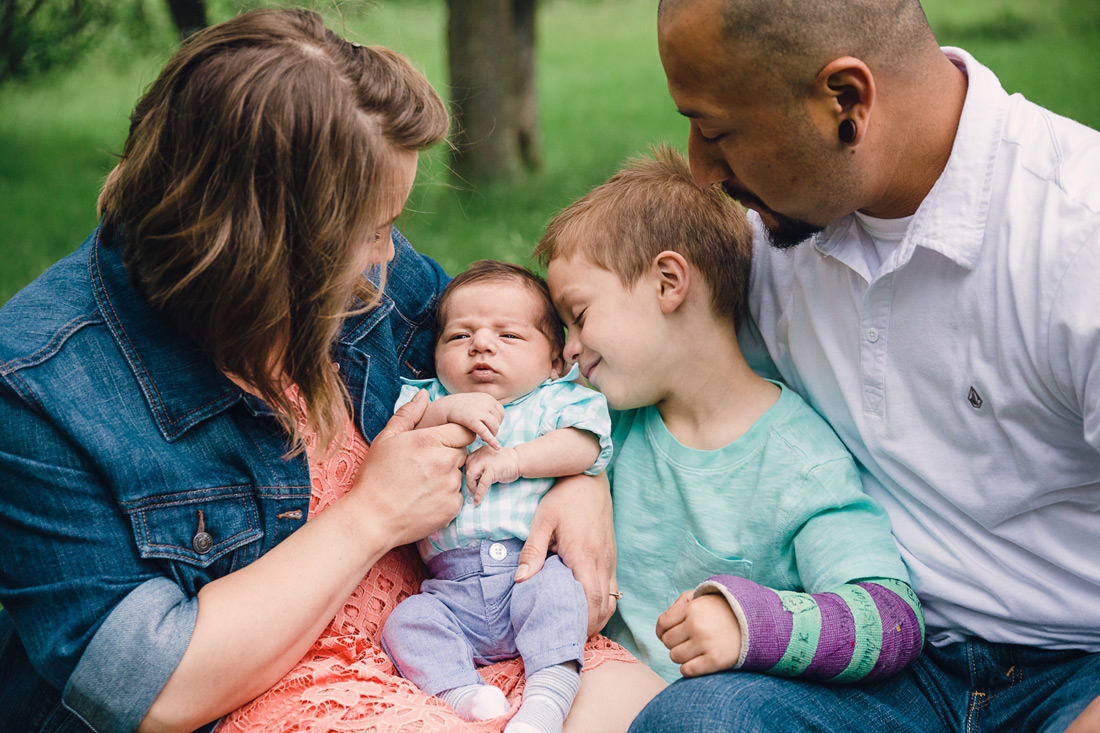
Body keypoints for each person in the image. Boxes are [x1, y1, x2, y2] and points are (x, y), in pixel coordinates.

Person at [0, 10, 662, 733]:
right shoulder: (41, 386)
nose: (391, 258)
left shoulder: (356, 273)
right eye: (373, 232)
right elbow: (146, 687)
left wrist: (576, 477)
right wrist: (373, 513)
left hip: (462, 630)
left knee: (659, 717)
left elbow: (520, 372)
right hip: (270, 690)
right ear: (263, 246)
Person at [630, 0, 1100, 730]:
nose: (701, 167)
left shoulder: (1076, 235)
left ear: (845, 100)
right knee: (699, 719)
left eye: (718, 131)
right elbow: (626, 349)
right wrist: (574, 473)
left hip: (1078, 668)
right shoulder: (771, 234)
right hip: (884, 667)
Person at [535, 146, 923, 687]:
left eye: (579, 317)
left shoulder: (796, 461)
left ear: (669, 283)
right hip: (604, 687)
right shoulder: (602, 422)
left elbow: (892, 621)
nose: (571, 348)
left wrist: (753, 627)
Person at [381, 260, 615, 733]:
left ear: (555, 362)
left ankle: (545, 704)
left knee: (559, 597)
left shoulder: (555, 400)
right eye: (458, 337)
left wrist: (516, 460)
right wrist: (448, 408)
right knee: (407, 621)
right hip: (450, 590)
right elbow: (397, 436)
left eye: (508, 336)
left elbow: (585, 445)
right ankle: (465, 694)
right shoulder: (426, 399)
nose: (481, 345)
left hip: (528, 572)